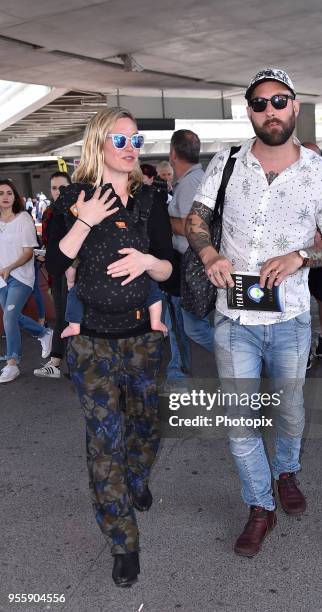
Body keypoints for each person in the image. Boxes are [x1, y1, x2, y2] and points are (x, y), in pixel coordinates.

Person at [186, 68, 322, 557]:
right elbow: (197, 218)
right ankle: (260, 506)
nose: (270, 111)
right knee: (240, 423)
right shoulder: (229, 162)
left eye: (279, 101)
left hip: (293, 316)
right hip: (234, 318)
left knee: (290, 409)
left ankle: (287, 471)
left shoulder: (319, 171)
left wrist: (301, 256)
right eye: (259, 104)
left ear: (295, 106)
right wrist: (209, 254)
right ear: (249, 111)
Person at [45, 107, 173, 587]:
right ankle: (123, 542)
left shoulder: (151, 199)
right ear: (98, 143)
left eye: (135, 140)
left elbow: (169, 272)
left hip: (143, 341)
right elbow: (56, 266)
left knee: (145, 429)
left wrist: (147, 261)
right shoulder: (73, 201)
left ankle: (136, 479)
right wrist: (85, 221)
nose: (131, 148)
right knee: (104, 442)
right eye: (120, 141)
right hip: (92, 346)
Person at [162, 129, 214, 393]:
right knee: (179, 323)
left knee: (194, 326)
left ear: (173, 153)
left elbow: (194, 227)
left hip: (191, 264)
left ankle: (240, 360)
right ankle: (177, 372)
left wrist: (162, 221)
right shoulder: (190, 182)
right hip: (186, 265)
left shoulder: (192, 184)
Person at [0, 179, 53, 383]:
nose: (5, 196)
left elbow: (29, 252)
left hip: (20, 277)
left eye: (8, 193)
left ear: (15, 197)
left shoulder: (23, 218)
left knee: (9, 317)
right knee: (10, 317)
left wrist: (9, 268)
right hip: (1, 279)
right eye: (1, 193)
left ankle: (12, 363)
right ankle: (43, 333)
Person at [33, 171, 72, 378]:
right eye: (54, 188)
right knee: (63, 318)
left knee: (70, 318)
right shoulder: (50, 212)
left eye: (62, 187)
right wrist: (45, 256)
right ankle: (59, 363)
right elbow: (53, 245)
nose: (58, 192)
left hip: (74, 273)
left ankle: (58, 363)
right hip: (57, 273)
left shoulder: (76, 211)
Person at [302, 142, 322, 365]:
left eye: (317, 157)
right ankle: (305, 349)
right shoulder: (290, 182)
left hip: (321, 256)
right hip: (295, 257)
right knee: (300, 303)